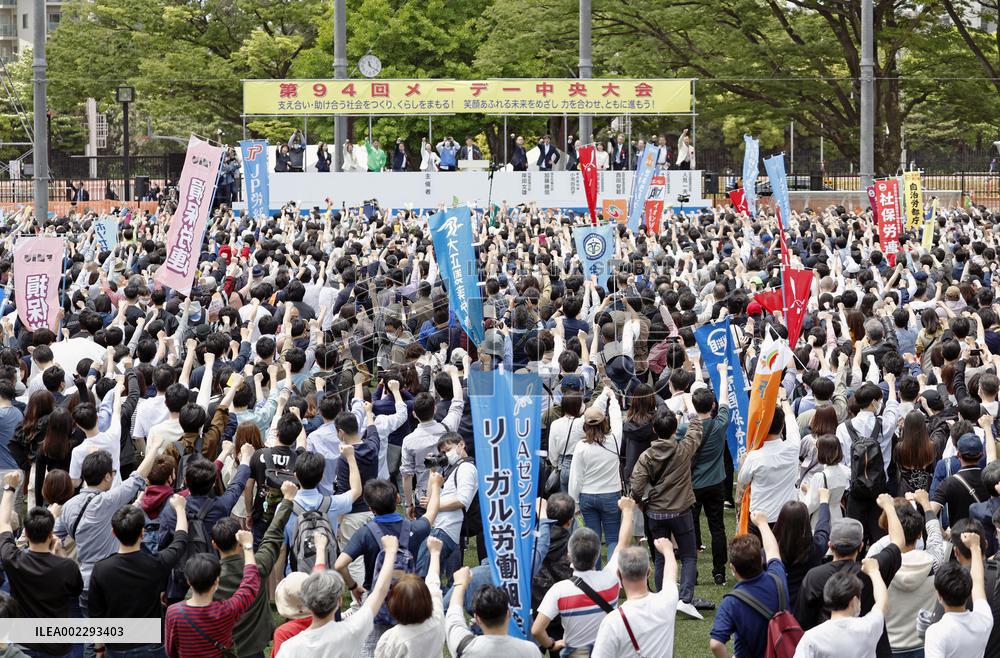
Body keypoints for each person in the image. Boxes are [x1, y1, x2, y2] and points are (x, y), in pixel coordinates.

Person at [797, 494, 905, 657]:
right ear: (861, 546)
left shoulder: (814, 576)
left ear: (830, 546)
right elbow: (898, 542)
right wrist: (889, 506)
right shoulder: (871, 568)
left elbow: (803, 621)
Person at [90, 495, 191, 658]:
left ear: (114, 532)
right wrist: (180, 509)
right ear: (142, 533)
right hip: (152, 643)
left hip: (117, 646)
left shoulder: (101, 569)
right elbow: (180, 541)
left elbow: (96, 615)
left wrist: (99, 648)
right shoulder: (156, 563)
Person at [631, 408, 712, 610]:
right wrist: (691, 413)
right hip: (681, 510)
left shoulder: (647, 456)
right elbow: (696, 431)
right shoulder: (683, 449)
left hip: (656, 512)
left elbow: (636, 487)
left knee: (660, 557)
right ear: (675, 429)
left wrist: (641, 501)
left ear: (654, 429)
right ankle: (685, 599)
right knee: (688, 555)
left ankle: (662, 597)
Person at [532, 498, 636, 654]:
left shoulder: (559, 590)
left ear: (569, 556)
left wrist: (551, 645)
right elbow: (622, 543)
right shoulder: (611, 581)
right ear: (597, 555)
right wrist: (628, 511)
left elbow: (537, 630)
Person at [0, 471, 83, 658]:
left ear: (26, 535)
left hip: (24, 643)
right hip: (57, 646)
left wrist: (10, 487)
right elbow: (76, 591)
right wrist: (61, 554)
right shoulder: (66, 567)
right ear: (50, 534)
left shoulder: (13, 560)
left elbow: (3, 523)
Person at [275, 534, 399, 658]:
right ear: (339, 602)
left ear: (306, 601)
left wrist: (320, 549)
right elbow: (380, 591)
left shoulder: (289, 648)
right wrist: (390, 552)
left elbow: (317, 586)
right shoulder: (352, 630)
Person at [164, 529, 260, 658]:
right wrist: (248, 546)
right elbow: (250, 585)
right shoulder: (227, 610)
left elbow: (171, 651)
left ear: (188, 581)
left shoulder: (173, 612)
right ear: (216, 581)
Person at [709, 512, 788, 658]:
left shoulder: (731, 602)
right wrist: (762, 523)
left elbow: (716, 643)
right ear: (760, 561)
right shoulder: (777, 578)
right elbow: (772, 550)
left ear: (732, 568)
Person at [591, 539, 679, 658]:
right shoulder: (666, 602)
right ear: (649, 572)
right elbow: (670, 575)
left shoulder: (612, 621)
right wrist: (668, 550)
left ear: (618, 574)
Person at [568, 392, 624, 564]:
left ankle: (595, 578)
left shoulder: (581, 447)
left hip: (588, 496)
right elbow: (617, 419)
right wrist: (612, 399)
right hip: (611, 495)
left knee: (593, 540)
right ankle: (614, 578)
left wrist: (575, 501)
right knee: (614, 538)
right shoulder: (614, 439)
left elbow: (576, 478)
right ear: (604, 422)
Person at [792, 559, 888, 658]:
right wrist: (874, 571)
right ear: (854, 600)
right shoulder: (869, 627)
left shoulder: (811, 638)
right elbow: (882, 602)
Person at [374, 535, 445, 657]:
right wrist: (435, 553)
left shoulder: (391, 639)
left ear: (394, 606)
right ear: (426, 601)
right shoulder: (437, 619)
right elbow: (434, 583)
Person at [924, 532, 994, 656]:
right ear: (968, 592)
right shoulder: (984, 620)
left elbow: (977, 583)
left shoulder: (936, 633)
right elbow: (978, 583)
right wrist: (975, 547)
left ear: (939, 596)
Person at [447, 567, 540, 657]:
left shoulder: (464, 646)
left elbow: (454, 613)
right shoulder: (530, 651)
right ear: (509, 614)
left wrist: (460, 584)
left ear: (477, 619)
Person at [738, 401, 801, 524]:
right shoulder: (793, 447)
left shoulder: (754, 457)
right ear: (782, 426)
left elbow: (742, 479)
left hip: (760, 517)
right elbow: (791, 420)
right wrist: (784, 401)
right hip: (786, 517)